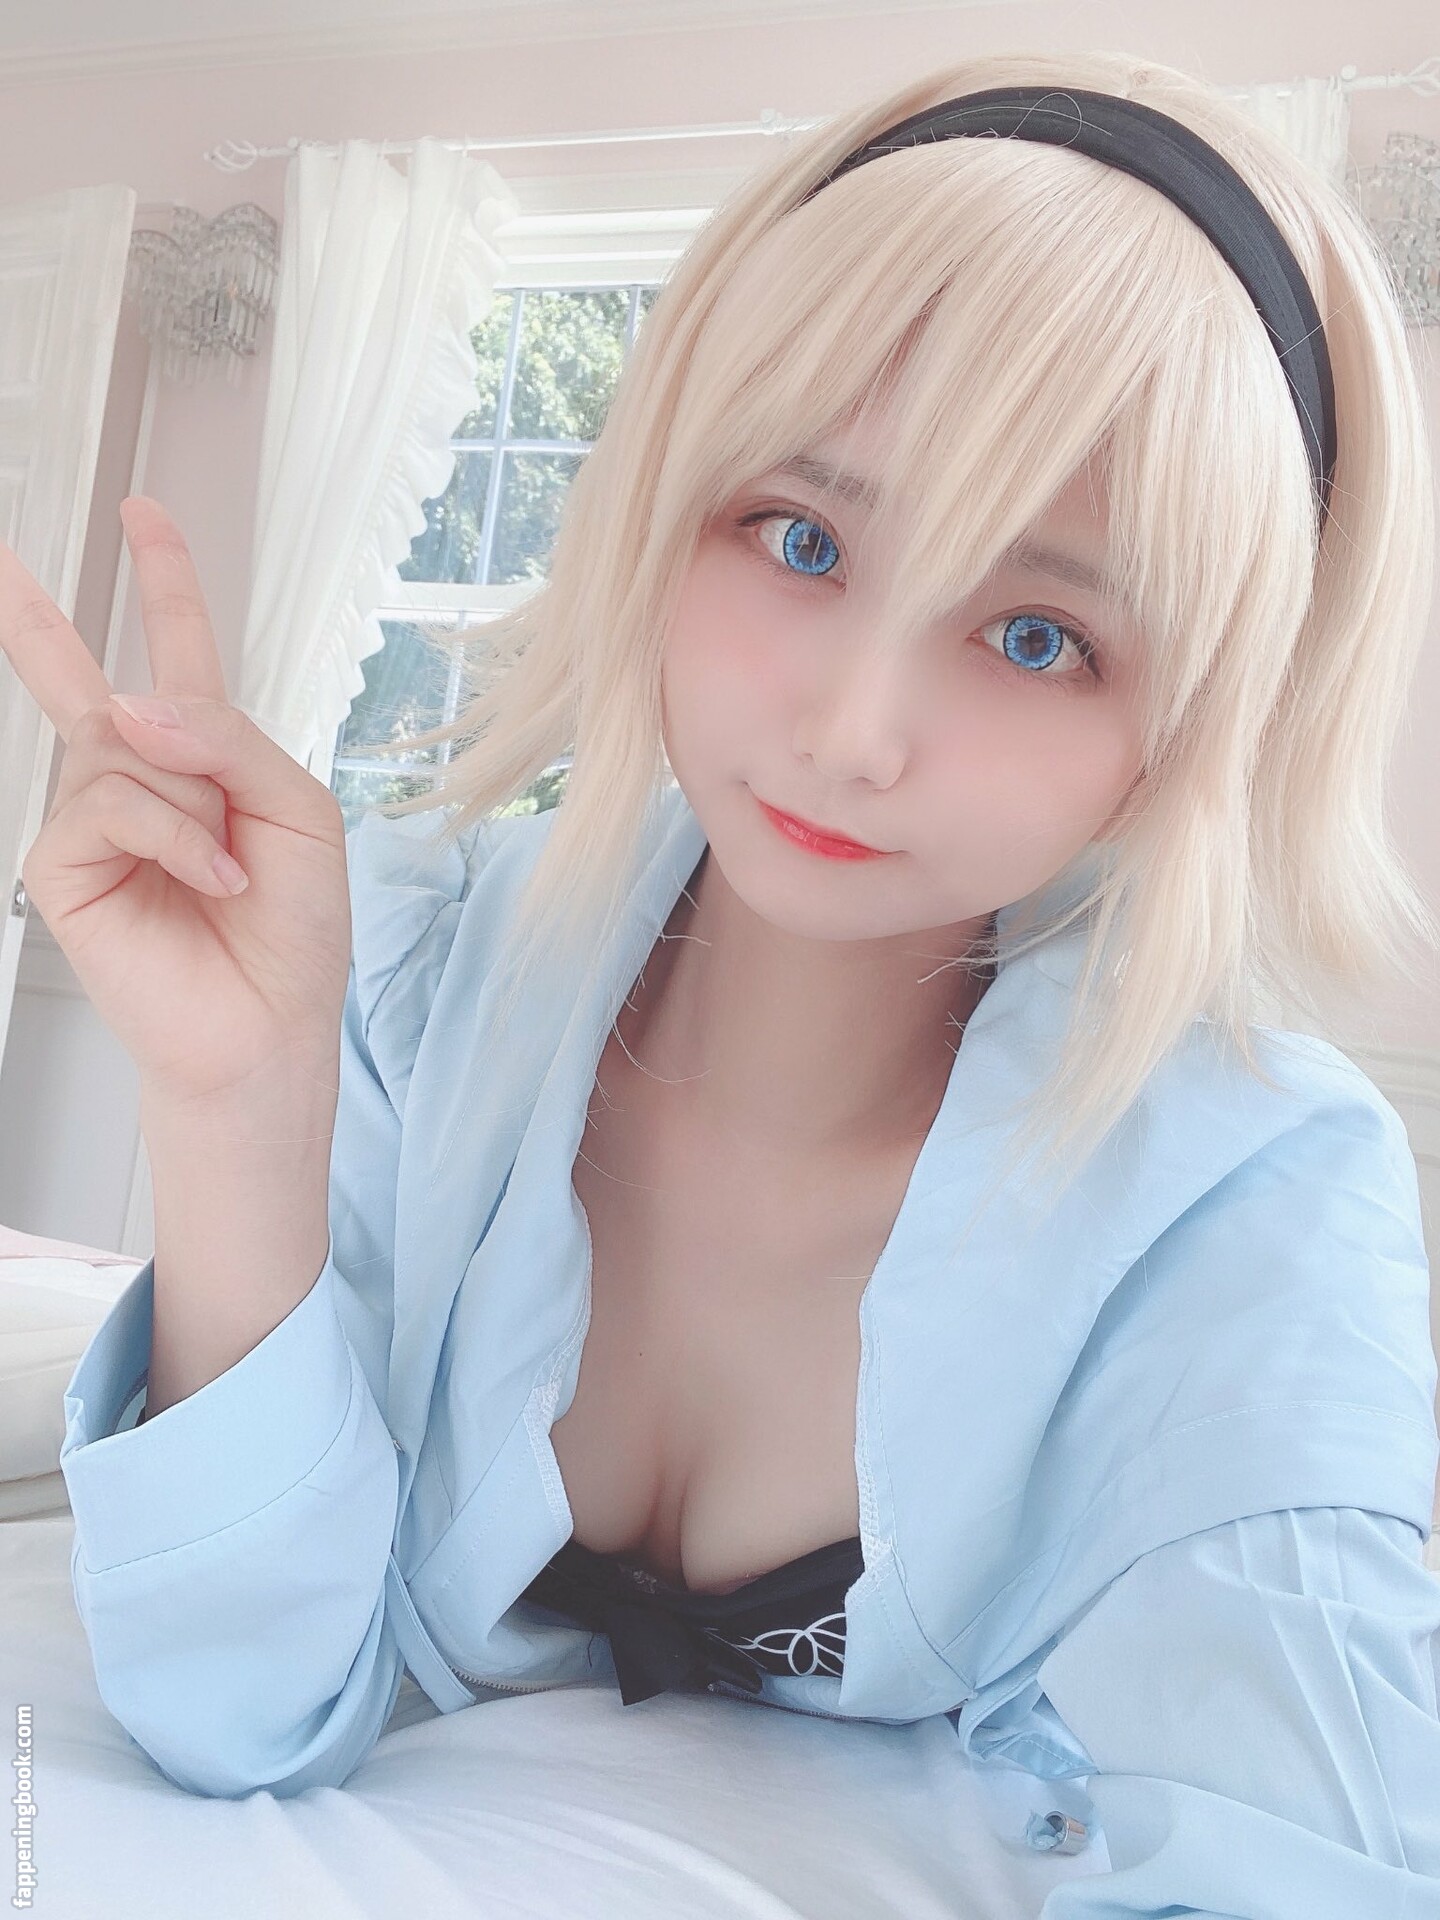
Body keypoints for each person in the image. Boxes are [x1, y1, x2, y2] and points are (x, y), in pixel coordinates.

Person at [5, 44, 1436, 1917]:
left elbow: (1298, 1859)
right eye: (802, 538)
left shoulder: (1243, 1195)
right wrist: (230, 1108)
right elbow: (241, 1714)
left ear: (1196, 725)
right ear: (664, 507)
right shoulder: (416, 970)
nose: (854, 732)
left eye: (1036, 635)